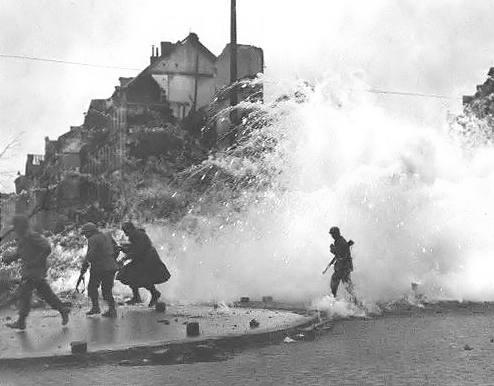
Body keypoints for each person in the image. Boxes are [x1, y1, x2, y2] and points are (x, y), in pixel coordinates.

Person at [2, 215, 70, 330]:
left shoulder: (32, 235)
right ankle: (62, 310)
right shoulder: (23, 237)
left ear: (21, 225)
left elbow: (47, 247)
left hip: (34, 271)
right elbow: (20, 253)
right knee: (46, 294)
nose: (15, 228)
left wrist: (36, 261)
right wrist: (9, 258)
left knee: (25, 294)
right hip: (30, 271)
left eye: (16, 226)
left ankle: (21, 322)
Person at [116, 222, 171, 307]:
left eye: (126, 230)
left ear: (130, 229)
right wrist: (123, 249)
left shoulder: (137, 235)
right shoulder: (136, 235)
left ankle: (152, 294)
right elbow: (135, 248)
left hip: (147, 260)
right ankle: (138, 296)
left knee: (139, 277)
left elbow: (138, 251)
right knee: (132, 276)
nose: (125, 233)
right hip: (144, 259)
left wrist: (124, 258)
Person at [76, 222, 119, 318]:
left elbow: (90, 255)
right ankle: (112, 310)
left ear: (90, 232)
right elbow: (116, 248)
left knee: (92, 287)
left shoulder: (92, 239)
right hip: (111, 266)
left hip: (99, 267)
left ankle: (96, 307)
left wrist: (83, 269)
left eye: (85, 233)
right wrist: (113, 259)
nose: (85, 236)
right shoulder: (107, 235)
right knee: (107, 290)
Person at [322, 226, 356, 300]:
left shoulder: (341, 241)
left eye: (333, 234)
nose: (332, 236)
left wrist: (332, 248)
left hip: (343, 267)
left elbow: (339, 253)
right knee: (347, 286)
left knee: (336, 283)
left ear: (337, 233)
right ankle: (355, 302)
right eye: (332, 234)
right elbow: (340, 253)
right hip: (344, 267)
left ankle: (333, 301)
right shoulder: (339, 241)